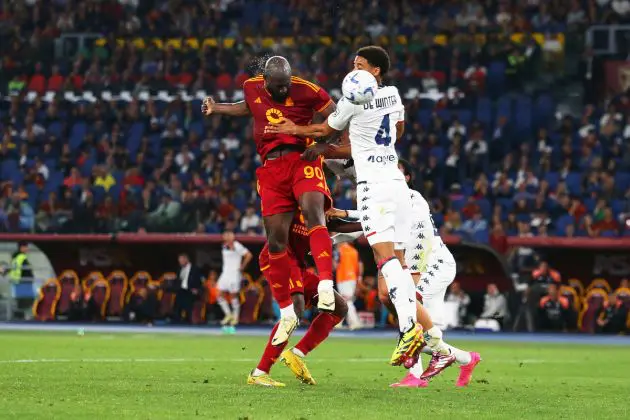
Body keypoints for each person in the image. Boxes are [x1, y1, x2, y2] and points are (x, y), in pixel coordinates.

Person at [266, 46, 424, 366]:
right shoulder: (393, 95)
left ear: (375, 71)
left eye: (360, 65)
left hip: (372, 187)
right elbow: (398, 130)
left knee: (385, 259)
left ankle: (410, 328)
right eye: (352, 64)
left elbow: (326, 132)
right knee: (390, 264)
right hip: (395, 181)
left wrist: (299, 134)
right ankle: (434, 344)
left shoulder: (351, 103)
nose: (353, 69)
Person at [202, 56, 337, 346]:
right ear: (265, 82)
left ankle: (326, 282)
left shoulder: (308, 90)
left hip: (302, 158)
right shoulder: (251, 88)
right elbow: (248, 108)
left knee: (315, 213)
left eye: (286, 85)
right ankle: (286, 311)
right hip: (271, 167)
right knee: (276, 240)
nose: (283, 91)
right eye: (277, 86)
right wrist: (218, 109)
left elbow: (336, 117)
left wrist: (324, 145)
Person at [327, 159, 481, 388]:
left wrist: (414, 273)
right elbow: (371, 217)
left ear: (407, 178)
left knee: (409, 313)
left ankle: (415, 376)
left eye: (398, 171)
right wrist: (340, 217)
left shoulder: (414, 199)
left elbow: (420, 239)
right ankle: (465, 359)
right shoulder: (391, 202)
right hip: (416, 265)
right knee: (413, 323)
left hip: (434, 264)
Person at [249, 211, 348, 387]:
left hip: (299, 265)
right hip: (279, 257)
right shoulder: (294, 203)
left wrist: (369, 223)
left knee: (339, 307)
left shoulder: (320, 207)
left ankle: (297, 353)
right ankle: (260, 373)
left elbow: (338, 226)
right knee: (295, 309)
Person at [216, 231, 252, 329]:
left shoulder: (237, 245)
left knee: (233, 296)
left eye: (229, 235)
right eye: (225, 235)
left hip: (234, 274)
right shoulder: (224, 245)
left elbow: (249, 255)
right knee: (219, 295)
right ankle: (228, 315)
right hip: (225, 274)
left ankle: (235, 318)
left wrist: (242, 266)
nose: (227, 236)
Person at [335, 241, 363, 329]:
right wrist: (359, 277)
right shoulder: (354, 251)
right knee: (346, 301)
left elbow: (335, 265)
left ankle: (355, 322)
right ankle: (339, 322)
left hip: (343, 278)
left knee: (347, 301)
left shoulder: (338, 250)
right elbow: (360, 265)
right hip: (352, 278)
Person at [173, 253, 203, 324]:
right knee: (177, 299)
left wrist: (197, 289)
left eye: (181, 260)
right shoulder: (179, 269)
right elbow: (178, 280)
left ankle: (189, 318)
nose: (180, 262)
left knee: (188, 299)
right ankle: (177, 319)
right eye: (179, 261)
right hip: (181, 289)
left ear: (186, 259)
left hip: (191, 290)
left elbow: (200, 281)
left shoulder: (195, 269)